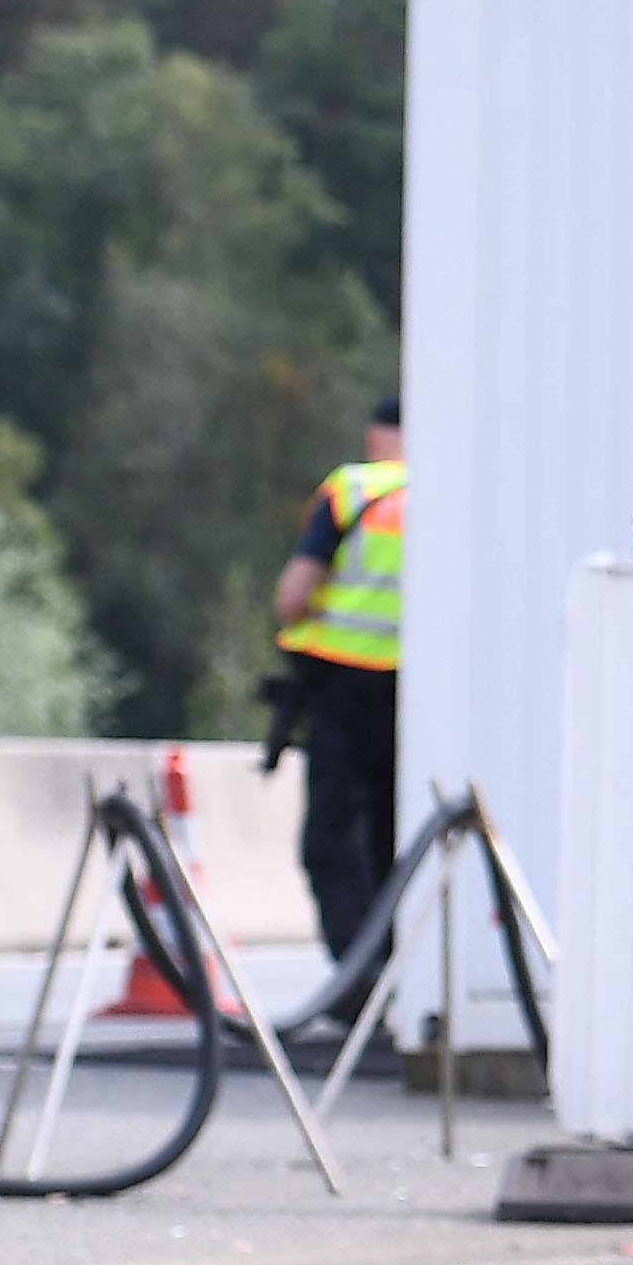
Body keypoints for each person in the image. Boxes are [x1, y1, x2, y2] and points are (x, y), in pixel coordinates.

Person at [270, 397, 406, 956]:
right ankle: (398, 974)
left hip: (343, 688)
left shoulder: (353, 490)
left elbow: (292, 599)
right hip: (417, 695)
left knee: (334, 837)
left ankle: (355, 977)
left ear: (376, 437)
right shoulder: (458, 490)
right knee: (397, 834)